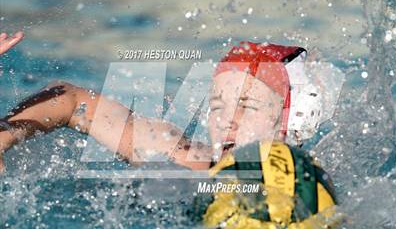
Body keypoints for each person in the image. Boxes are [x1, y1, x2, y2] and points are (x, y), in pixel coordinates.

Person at [0, 39, 319, 173]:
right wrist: (6, 135)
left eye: (247, 105)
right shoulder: (188, 163)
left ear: (294, 117)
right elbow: (73, 101)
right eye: (218, 107)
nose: (226, 123)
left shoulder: (329, 188)